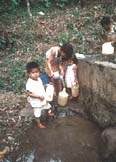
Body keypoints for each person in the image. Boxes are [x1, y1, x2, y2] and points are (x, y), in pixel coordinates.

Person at [26, 61, 52, 128]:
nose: (35, 74)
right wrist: (38, 96)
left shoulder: (39, 79)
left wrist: (46, 86)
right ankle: (38, 123)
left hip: (42, 97)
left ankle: (48, 113)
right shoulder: (29, 83)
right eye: (33, 72)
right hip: (36, 101)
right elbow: (29, 93)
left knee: (47, 106)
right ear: (28, 74)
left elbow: (41, 86)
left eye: (37, 72)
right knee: (37, 113)